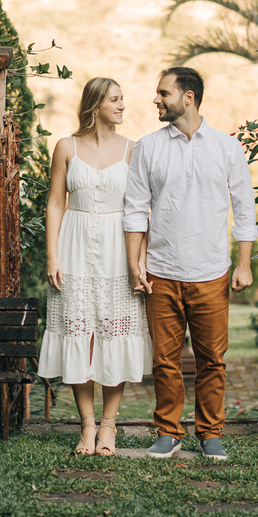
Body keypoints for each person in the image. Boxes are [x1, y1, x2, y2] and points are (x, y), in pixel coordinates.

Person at [123, 67, 256, 460]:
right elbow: (134, 211)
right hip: (161, 270)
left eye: (163, 93)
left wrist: (244, 264)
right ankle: (168, 431)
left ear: (188, 97)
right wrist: (135, 265)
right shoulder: (147, 147)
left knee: (212, 359)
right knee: (164, 360)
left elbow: (244, 211)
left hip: (211, 271)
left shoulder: (227, 149)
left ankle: (210, 433)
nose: (156, 100)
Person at [37, 77, 152, 456]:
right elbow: (55, 203)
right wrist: (52, 255)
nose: (122, 106)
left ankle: (109, 426)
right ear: (96, 104)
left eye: (123, 100)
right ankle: (87, 425)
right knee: (79, 332)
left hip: (119, 249)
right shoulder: (66, 147)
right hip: (73, 246)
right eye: (115, 100)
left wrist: (140, 259)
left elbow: (141, 211)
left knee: (113, 333)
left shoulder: (134, 150)